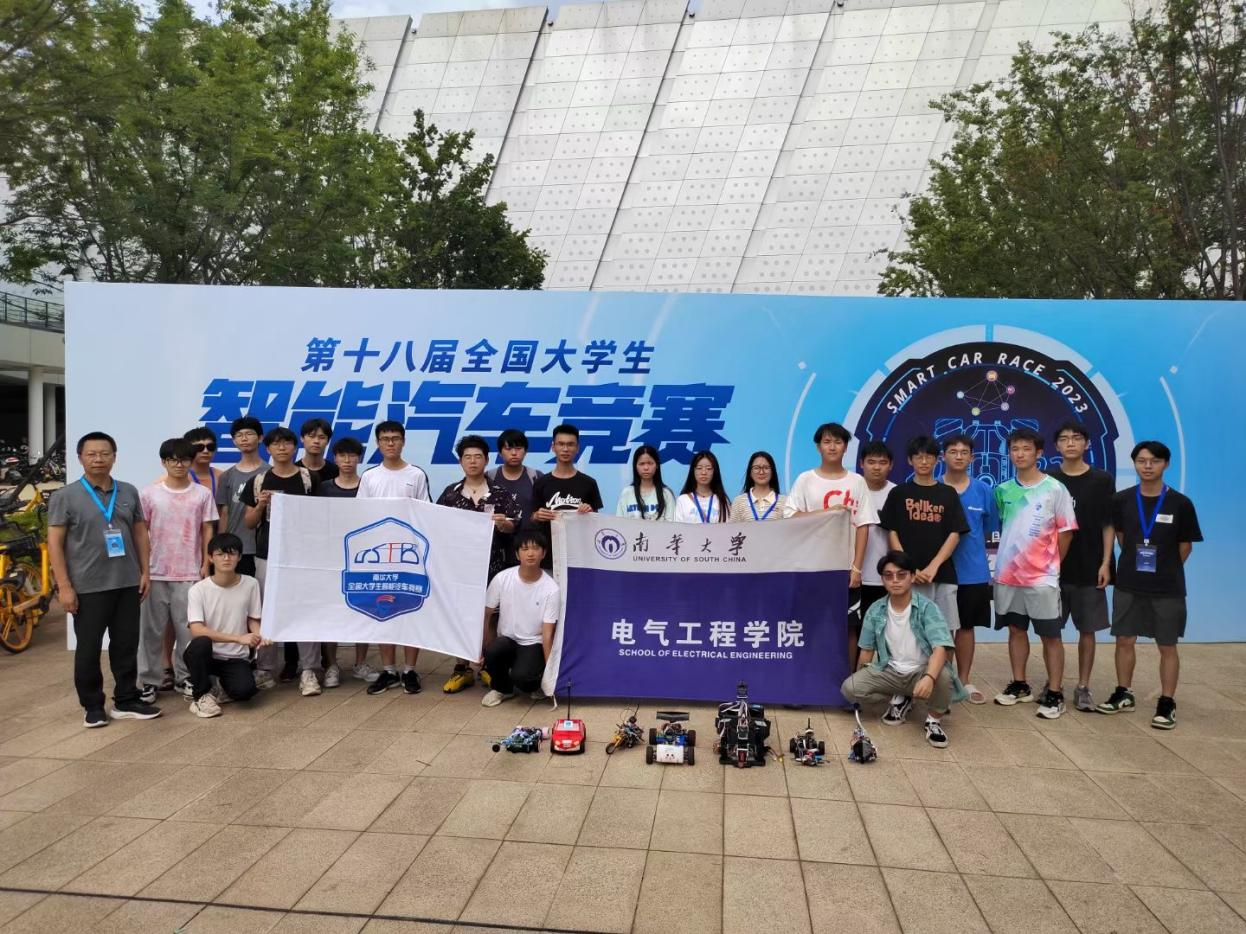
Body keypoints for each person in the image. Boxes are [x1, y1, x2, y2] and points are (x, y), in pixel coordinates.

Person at [48, 431, 161, 727]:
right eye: (91, 454)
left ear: (114, 457)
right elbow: (55, 544)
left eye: (104, 453)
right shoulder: (65, 496)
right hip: (88, 586)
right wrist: (64, 586)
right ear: (80, 458)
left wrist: (145, 572)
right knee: (88, 648)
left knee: (126, 645)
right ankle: (93, 706)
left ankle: (126, 699)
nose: (98, 459)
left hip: (127, 582)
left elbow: (140, 533)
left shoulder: (128, 491)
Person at [1097, 441, 1202, 729]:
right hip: (1129, 583)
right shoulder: (1122, 500)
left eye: (1154, 461)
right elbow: (1121, 537)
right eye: (1141, 460)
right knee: (1123, 640)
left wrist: (1164, 569)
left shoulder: (1180, 503)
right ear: (1134, 464)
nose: (1147, 466)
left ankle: (1167, 702)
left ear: (1166, 464)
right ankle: (1123, 693)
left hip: (1167, 587)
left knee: (1167, 645)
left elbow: (1185, 546)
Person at [991, 427, 1077, 719]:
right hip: (1008, 577)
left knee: (1050, 635)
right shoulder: (1003, 490)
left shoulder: (1055, 489)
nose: (1020, 454)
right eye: (1015, 449)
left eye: (1026, 449)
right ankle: (1020, 684)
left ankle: (1054, 692)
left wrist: (1050, 564)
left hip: (1042, 578)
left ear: (1039, 453)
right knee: (1016, 630)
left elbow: (1066, 532)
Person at [841, 551, 964, 748]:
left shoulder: (928, 608)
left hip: (921, 670)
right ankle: (900, 697)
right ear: (882, 580)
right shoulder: (876, 609)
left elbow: (940, 648)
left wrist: (929, 678)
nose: (895, 580)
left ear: (912, 577)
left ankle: (933, 720)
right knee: (850, 688)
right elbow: (866, 650)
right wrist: (861, 678)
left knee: (943, 675)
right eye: (888, 576)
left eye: (901, 575)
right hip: (890, 670)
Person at [436, 435, 521, 694]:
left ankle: (489, 667)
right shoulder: (450, 494)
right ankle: (462, 669)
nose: (472, 461)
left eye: (478, 457)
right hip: (458, 568)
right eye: (467, 457)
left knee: (490, 618)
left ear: (486, 460)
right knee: (460, 616)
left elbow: (514, 525)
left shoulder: (501, 494)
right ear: (461, 461)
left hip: (493, 566)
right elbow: (436, 526)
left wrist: (504, 525)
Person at [137, 438, 217, 703]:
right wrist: (143, 569)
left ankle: (185, 678)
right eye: (173, 460)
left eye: (184, 459)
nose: (179, 465)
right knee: (150, 632)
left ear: (191, 462)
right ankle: (149, 681)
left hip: (189, 572)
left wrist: (206, 563)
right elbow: (141, 533)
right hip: (155, 573)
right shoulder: (149, 494)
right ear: (164, 462)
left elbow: (207, 529)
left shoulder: (202, 494)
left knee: (187, 632)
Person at [240, 426, 319, 693]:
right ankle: (265, 669)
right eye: (276, 444)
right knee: (265, 610)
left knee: (305, 610)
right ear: (268, 449)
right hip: (267, 555)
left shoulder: (308, 479)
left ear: (295, 447)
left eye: (287, 443)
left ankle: (309, 670)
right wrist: (261, 505)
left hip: (302, 557)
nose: (282, 448)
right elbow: (249, 522)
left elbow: (320, 517)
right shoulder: (258, 481)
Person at [360, 421, 432, 696]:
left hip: (409, 556)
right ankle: (389, 670)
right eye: (385, 439)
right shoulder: (370, 477)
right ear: (378, 443)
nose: (390, 443)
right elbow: (359, 515)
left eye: (395, 438)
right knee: (383, 611)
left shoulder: (416, 474)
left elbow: (426, 514)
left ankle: (410, 670)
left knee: (411, 611)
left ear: (403, 441)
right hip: (378, 556)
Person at [1049, 421, 1115, 712]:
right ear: (1056, 446)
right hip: (1053, 570)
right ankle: (1054, 684)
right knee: (1051, 632)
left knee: (1087, 631)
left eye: (1076, 438)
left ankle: (1083, 686)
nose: (1070, 443)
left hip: (1090, 567)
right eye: (1064, 439)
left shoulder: (1102, 480)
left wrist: (1106, 562)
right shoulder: (1049, 479)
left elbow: (1108, 523)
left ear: (1087, 443)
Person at [941, 433, 1000, 705]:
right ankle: (943, 679)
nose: (959, 456)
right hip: (940, 571)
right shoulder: (933, 487)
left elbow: (989, 528)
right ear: (943, 456)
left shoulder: (984, 491)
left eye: (964, 452)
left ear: (972, 458)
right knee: (941, 629)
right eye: (953, 451)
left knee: (966, 627)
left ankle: (963, 680)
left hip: (973, 571)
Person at [785, 422, 878, 591]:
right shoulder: (805, 479)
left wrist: (857, 568)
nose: (832, 447)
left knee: (845, 608)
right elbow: (790, 516)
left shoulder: (857, 481)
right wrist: (827, 513)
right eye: (827, 442)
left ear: (846, 447)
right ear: (818, 447)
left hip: (846, 566)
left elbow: (863, 525)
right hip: (810, 564)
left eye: (838, 442)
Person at [315, 436, 378, 684]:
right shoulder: (325, 487)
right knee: (331, 611)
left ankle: (360, 663)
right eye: (342, 455)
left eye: (352, 455)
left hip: (363, 558)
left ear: (359, 458)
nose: (347, 460)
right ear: (335, 458)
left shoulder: (368, 486)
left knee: (364, 610)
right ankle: (331, 665)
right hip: (331, 558)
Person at [184, 533, 266, 718]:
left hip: (235, 657)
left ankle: (219, 685)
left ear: (239, 557)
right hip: (207, 654)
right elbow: (196, 629)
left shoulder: (251, 584)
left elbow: (253, 619)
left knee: (245, 692)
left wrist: (260, 636)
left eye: (232, 553)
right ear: (210, 558)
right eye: (220, 554)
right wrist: (238, 638)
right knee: (200, 643)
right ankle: (201, 697)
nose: (226, 558)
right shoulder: (198, 590)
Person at [480, 530, 560, 707]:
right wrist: (479, 649)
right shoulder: (502, 579)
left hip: (533, 643)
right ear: (517, 554)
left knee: (524, 678)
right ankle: (502, 689)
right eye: (525, 549)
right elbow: (486, 615)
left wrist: (550, 675)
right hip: (507, 639)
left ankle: (536, 683)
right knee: (493, 651)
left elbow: (548, 634)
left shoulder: (551, 588)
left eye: (535, 548)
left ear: (544, 553)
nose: (530, 553)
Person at [531, 424, 603, 569]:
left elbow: (597, 521)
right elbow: (532, 518)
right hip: (549, 557)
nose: (565, 449)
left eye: (570, 444)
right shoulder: (541, 483)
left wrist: (589, 512)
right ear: (553, 447)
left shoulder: (589, 483)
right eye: (561, 444)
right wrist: (537, 516)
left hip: (581, 556)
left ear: (577, 448)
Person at [855, 441, 896, 669]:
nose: (877, 467)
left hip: (886, 578)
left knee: (886, 632)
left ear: (891, 465)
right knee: (855, 630)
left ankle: (886, 677)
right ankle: (854, 679)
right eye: (871, 462)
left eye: (882, 462)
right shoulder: (852, 488)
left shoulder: (897, 493)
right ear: (861, 464)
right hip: (855, 575)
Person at [217, 416, 268, 578]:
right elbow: (224, 513)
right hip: (234, 548)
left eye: (249, 434)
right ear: (234, 441)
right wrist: (221, 544)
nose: (244, 438)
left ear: (260, 438)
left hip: (262, 548)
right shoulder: (226, 476)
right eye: (239, 435)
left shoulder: (270, 473)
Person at [487, 428, 544, 530]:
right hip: (497, 538)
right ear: (500, 453)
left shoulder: (536, 476)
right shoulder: (489, 477)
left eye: (518, 448)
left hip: (529, 538)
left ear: (525, 451)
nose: (514, 453)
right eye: (508, 449)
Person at [616, 444, 676, 520]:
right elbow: (619, 522)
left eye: (650, 463)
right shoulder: (626, 493)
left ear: (657, 465)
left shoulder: (666, 494)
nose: (646, 468)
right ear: (635, 466)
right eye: (642, 464)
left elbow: (671, 524)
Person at [728, 451, 787, 522]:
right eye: (756, 468)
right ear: (750, 472)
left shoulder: (784, 501)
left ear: (772, 472)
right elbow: (733, 528)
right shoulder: (739, 502)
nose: (761, 472)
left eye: (766, 468)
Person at [673, 450, 730, 523]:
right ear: (693, 471)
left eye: (709, 468)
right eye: (699, 468)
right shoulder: (683, 500)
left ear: (715, 472)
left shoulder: (722, 500)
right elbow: (678, 528)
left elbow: (727, 528)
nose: (704, 472)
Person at [183, 427, 225, 523]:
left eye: (210, 447)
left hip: (217, 529)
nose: (205, 451)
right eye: (199, 447)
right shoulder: (179, 478)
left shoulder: (222, 476)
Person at [296, 417, 339, 484]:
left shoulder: (337, 472)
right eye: (311, 436)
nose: (316, 441)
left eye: (322, 437)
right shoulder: (293, 471)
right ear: (302, 438)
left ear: (328, 441)